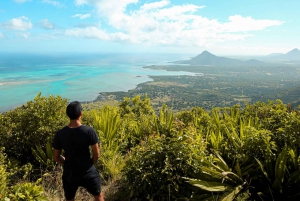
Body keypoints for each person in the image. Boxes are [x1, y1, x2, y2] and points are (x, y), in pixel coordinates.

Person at [52, 101, 104, 201]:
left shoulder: (60, 134)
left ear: (68, 115)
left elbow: (56, 157)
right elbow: (96, 155)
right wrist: (88, 164)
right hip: (88, 172)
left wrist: (67, 162)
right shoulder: (89, 131)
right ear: (80, 114)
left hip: (70, 174)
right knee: (98, 196)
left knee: (70, 198)